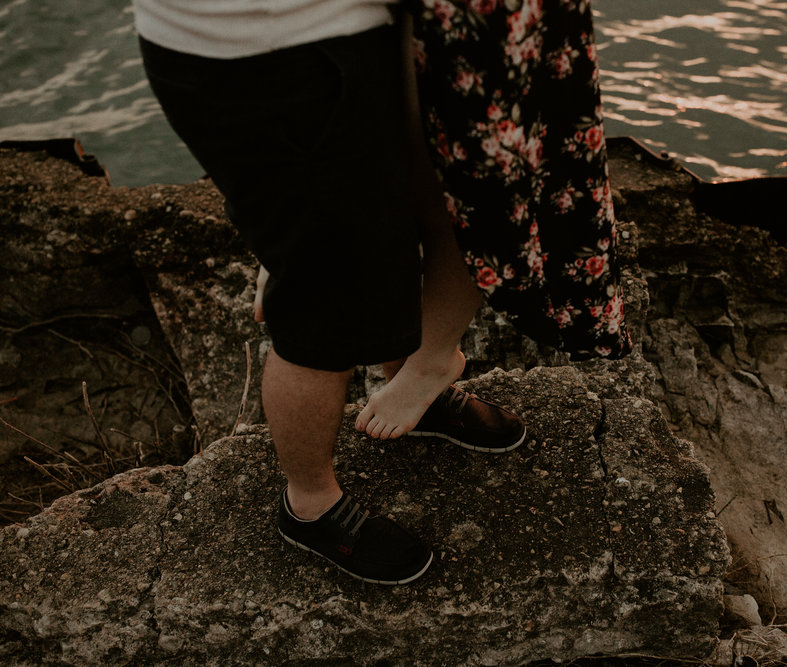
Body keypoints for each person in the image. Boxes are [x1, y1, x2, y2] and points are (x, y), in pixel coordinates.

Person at [134, 0, 527, 585]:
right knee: (321, 303)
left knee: (405, 218)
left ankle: (410, 378)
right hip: (277, 49)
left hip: (324, 35)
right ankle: (311, 505)